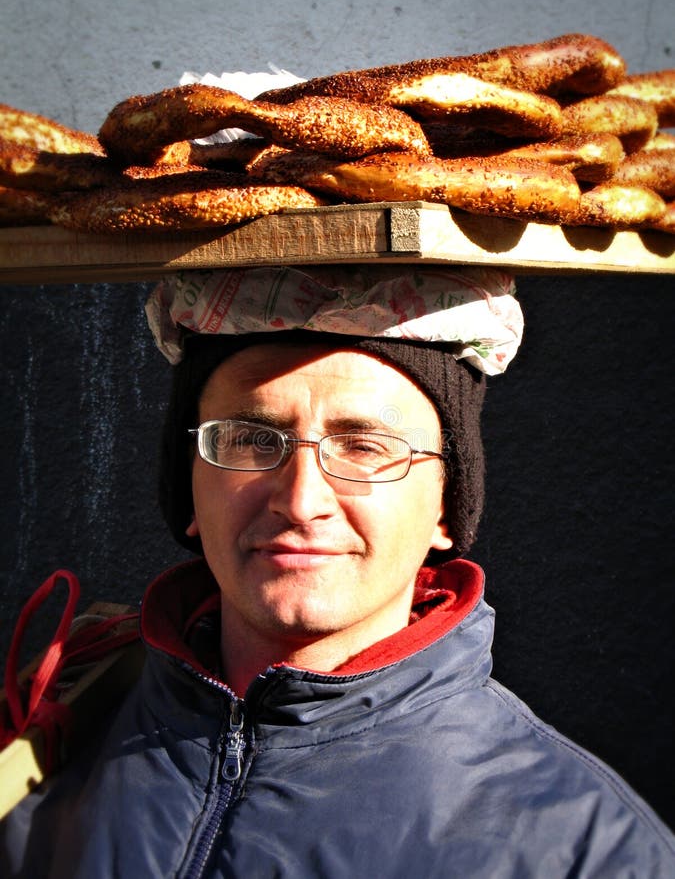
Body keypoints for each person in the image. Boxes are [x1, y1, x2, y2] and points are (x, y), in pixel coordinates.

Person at [1, 264, 674, 878]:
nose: (300, 501)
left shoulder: (584, 851)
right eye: (251, 440)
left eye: (363, 446)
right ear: (191, 492)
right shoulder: (54, 732)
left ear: (445, 505)